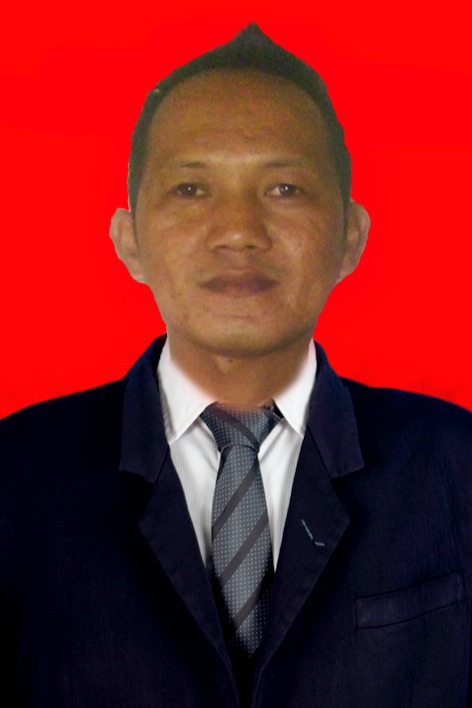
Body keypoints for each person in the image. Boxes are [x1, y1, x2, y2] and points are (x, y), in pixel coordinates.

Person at [0, 23, 471, 708]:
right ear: (129, 241)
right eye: (191, 189)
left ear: (351, 237)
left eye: (284, 188)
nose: (239, 232)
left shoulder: (456, 465)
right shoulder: (16, 476)